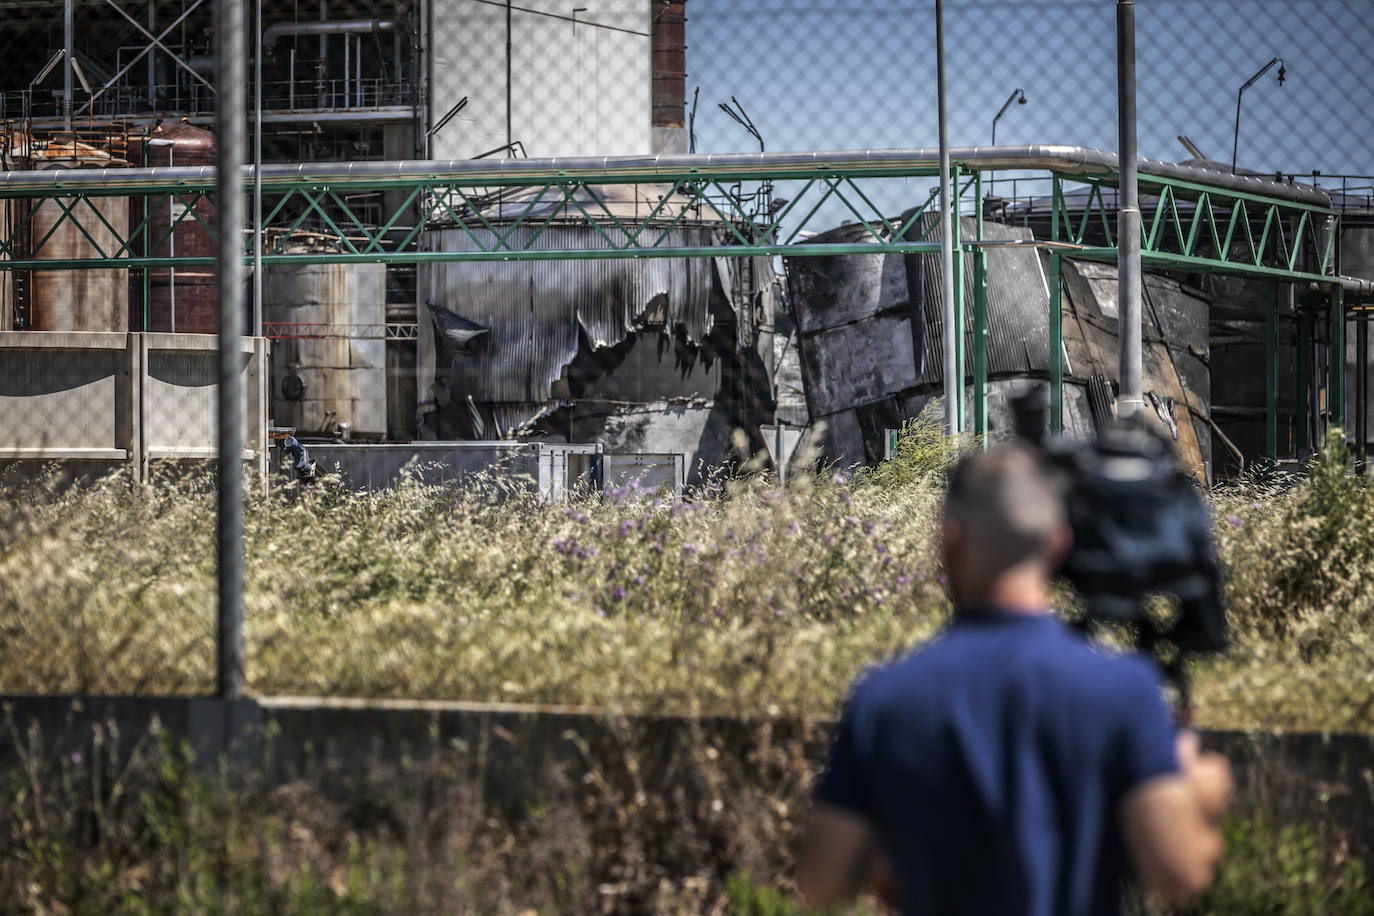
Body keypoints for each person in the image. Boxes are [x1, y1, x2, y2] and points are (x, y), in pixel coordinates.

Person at [796, 444, 1232, 915]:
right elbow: (1181, 872)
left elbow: (822, 883)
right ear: (1059, 544)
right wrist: (1198, 793)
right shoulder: (1124, 690)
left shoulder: (884, 699)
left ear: (950, 541)